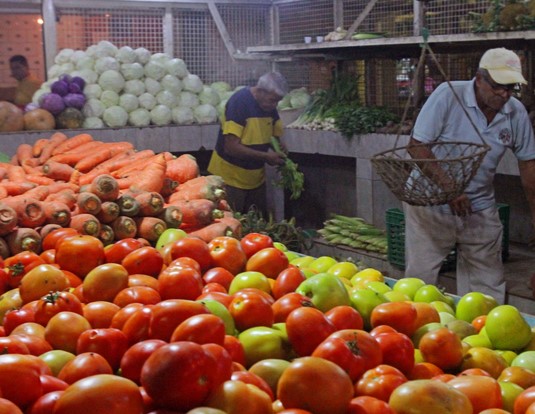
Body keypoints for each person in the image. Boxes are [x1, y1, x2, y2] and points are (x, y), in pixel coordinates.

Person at [403, 47, 535, 304]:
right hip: (430, 202)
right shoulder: (448, 96)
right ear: (479, 79)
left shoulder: (515, 112)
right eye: (498, 86)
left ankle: (481, 333)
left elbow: (529, 167)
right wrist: (450, 189)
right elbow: (416, 146)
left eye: (511, 88)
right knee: (421, 278)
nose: (504, 94)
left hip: (479, 205)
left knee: (487, 285)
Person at [207, 71, 289, 215]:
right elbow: (231, 147)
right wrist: (267, 157)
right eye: (272, 100)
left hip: (255, 179)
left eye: (277, 101)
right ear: (261, 91)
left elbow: (271, 134)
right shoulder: (239, 103)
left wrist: (278, 146)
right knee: (231, 223)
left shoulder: (269, 107)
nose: (275, 105)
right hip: (230, 179)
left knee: (256, 225)